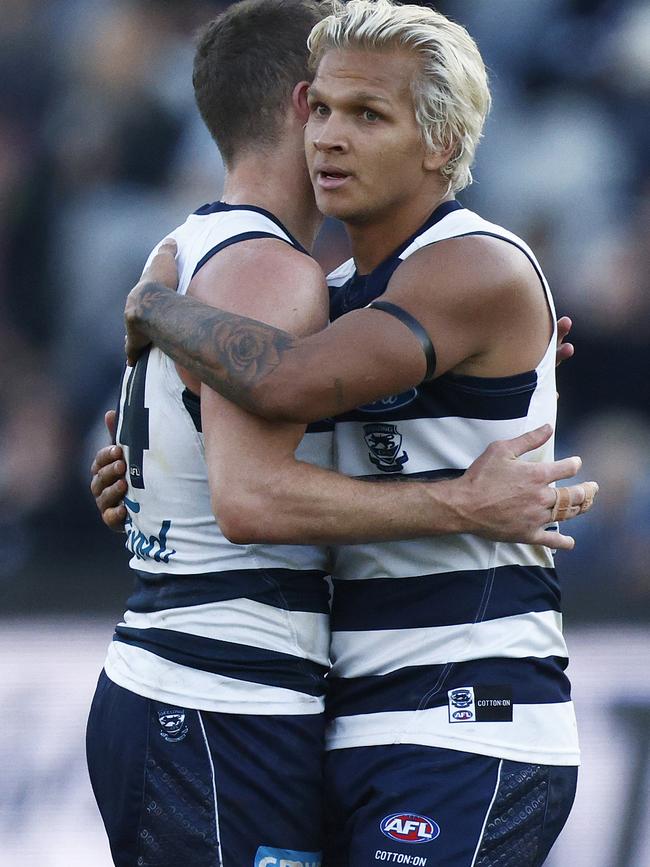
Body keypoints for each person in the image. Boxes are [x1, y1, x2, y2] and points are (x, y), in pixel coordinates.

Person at [91, 1, 597, 865]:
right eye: (320, 110)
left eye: (367, 116)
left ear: (440, 143)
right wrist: (164, 457)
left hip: (472, 716)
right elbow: (277, 417)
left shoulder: (471, 264)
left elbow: (283, 379)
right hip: (350, 716)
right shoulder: (337, 292)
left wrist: (154, 305)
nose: (327, 137)